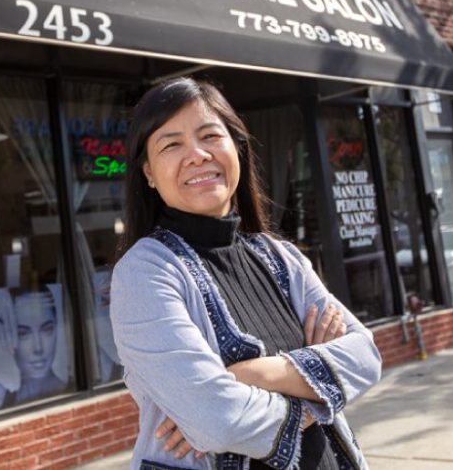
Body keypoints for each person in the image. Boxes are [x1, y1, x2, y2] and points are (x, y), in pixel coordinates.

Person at [111, 78, 382, 469]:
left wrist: (254, 374)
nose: (197, 154)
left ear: (236, 148)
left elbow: (365, 356)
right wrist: (318, 392)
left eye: (210, 135)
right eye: (171, 144)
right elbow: (218, 419)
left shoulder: (281, 257)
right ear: (149, 173)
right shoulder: (144, 273)